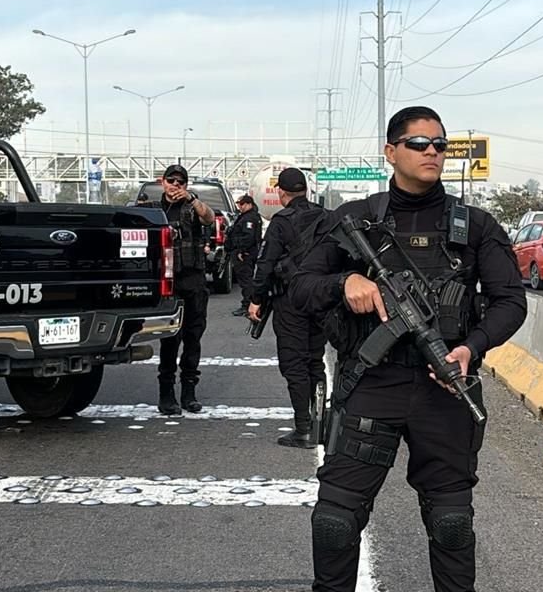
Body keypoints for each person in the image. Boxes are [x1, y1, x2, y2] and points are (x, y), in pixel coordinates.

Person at [290, 106, 527, 592]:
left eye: (440, 144)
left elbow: (510, 303)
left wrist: (471, 348)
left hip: (444, 389)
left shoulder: (476, 227)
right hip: (370, 383)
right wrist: (345, 282)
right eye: (419, 143)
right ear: (391, 152)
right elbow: (298, 286)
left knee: (451, 523)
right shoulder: (353, 220)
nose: (432, 152)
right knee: (334, 522)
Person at [248, 168, 328, 449]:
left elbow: (265, 264)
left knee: (294, 363)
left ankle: (303, 428)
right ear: (305, 190)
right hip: (320, 299)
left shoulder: (281, 222)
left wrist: (256, 298)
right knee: (315, 361)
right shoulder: (324, 216)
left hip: (290, 300)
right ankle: (322, 425)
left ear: (281, 193)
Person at [156, 164, 215, 415]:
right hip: (167, 283)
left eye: (180, 182)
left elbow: (209, 217)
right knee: (169, 339)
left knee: (193, 337)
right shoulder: (153, 210)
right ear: (163, 182)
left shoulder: (194, 207)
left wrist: (192, 199)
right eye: (171, 180)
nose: (175, 185)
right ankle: (166, 393)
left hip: (193, 280)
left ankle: (189, 392)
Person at [226, 194, 262, 316]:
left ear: (249, 204)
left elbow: (248, 237)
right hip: (244, 252)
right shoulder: (246, 217)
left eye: (241, 204)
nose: (239, 207)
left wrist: (242, 250)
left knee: (246, 280)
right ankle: (248, 303)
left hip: (245, 253)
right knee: (245, 279)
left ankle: (248, 304)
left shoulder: (249, 218)